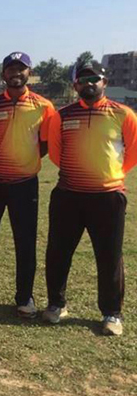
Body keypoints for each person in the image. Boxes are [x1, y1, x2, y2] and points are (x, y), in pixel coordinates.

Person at [44, 60, 137, 336]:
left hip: (108, 197)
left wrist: (109, 175)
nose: (90, 84)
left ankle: (112, 313)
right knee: (58, 252)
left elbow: (132, 153)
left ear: (104, 82)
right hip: (68, 195)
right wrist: (79, 174)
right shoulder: (61, 116)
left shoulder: (123, 114)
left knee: (109, 256)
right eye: (84, 80)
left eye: (95, 79)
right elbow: (56, 154)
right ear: (75, 86)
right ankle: (56, 304)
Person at [0, 52, 57, 317]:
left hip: (25, 184)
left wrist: (24, 162)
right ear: (2, 74)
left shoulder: (44, 107)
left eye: (21, 68)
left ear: (29, 72)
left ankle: (24, 297)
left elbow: (45, 144)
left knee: (25, 241)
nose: (15, 73)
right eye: (10, 69)